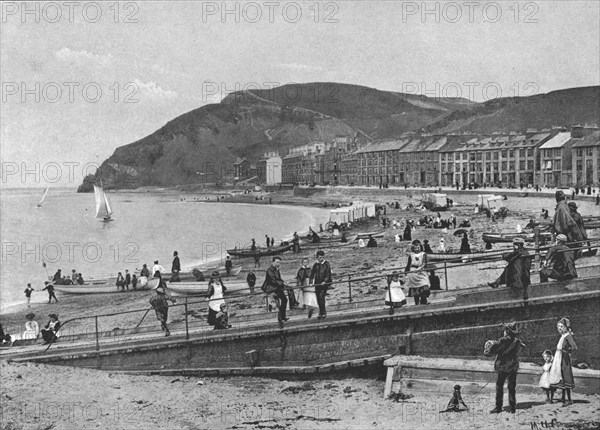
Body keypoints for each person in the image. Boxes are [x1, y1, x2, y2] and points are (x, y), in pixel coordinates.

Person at [484, 322, 525, 414]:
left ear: (507, 331)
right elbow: (519, 351)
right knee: (512, 387)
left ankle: (498, 407)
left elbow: (491, 351)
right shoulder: (518, 341)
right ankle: (513, 407)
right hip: (513, 366)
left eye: (505, 330)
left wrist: (489, 345)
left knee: (499, 387)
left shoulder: (503, 341)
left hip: (503, 367)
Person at [549, 317, 578, 407]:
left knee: (565, 377)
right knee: (560, 376)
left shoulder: (568, 336)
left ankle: (569, 400)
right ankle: (563, 397)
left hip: (564, 360)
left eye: (561, 326)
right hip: (559, 358)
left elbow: (574, 347)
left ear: (566, 327)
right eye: (558, 327)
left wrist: (566, 353)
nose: (559, 328)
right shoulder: (563, 336)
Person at [552, 191, 584, 255]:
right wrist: (579, 238)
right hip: (564, 235)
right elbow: (570, 223)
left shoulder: (561, 207)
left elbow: (570, 223)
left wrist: (579, 238)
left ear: (556, 199)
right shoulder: (563, 206)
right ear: (564, 198)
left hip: (564, 235)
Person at [405, 241, 430, 305]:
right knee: (415, 289)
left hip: (421, 270)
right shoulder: (411, 255)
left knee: (425, 285)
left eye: (418, 247)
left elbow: (425, 263)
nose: (417, 249)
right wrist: (406, 273)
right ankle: (417, 303)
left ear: (420, 247)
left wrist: (420, 268)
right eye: (415, 248)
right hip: (413, 271)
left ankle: (424, 300)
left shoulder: (423, 254)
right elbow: (408, 264)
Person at [264, 257, 288, 324]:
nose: (278, 264)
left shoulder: (275, 269)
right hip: (271, 288)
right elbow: (274, 281)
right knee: (281, 301)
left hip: (276, 287)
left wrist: (284, 282)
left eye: (279, 262)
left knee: (284, 300)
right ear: (273, 262)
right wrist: (283, 283)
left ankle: (282, 316)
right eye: (277, 262)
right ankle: (281, 317)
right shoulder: (270, 270)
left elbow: (279, 279)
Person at [310, 250, 332, 319]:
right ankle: (320, 312)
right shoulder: (316, 265)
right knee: (318, 298)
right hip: (317, 283)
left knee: (321, 297)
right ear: (317, 257)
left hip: (324, 284)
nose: (321, 259)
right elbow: (312, 274)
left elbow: (328, 274)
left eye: (322, 257)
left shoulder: (326, 264)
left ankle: (324, 312)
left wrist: (325, 281)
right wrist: (311, 282)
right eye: (319, 257)